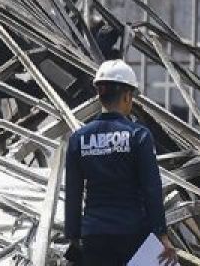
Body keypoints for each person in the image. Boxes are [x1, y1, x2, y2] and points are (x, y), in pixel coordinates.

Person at [63, 59, 178, 266]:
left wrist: (73, 235)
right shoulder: (139, 136)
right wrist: (161, 234)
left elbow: (73, 191)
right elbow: (151, 189)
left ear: (100, 94)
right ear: (127, 95)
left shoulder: (78, 138)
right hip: (132, 233)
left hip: (94, 235)